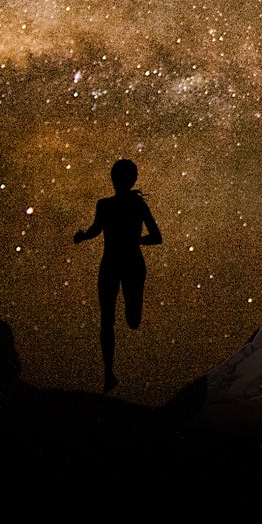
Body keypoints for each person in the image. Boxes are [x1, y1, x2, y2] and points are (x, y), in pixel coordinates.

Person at [74, 158, 162, 392]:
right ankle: (108, 373)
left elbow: (157, 237)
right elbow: (95, 229)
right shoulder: (104, 205)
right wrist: (83, 236)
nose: (119, 181)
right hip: (113, 265)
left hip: (128, 264)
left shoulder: (138, 205)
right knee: (107, 319)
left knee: (132, 321)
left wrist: (135, 240)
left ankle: (108, 372)